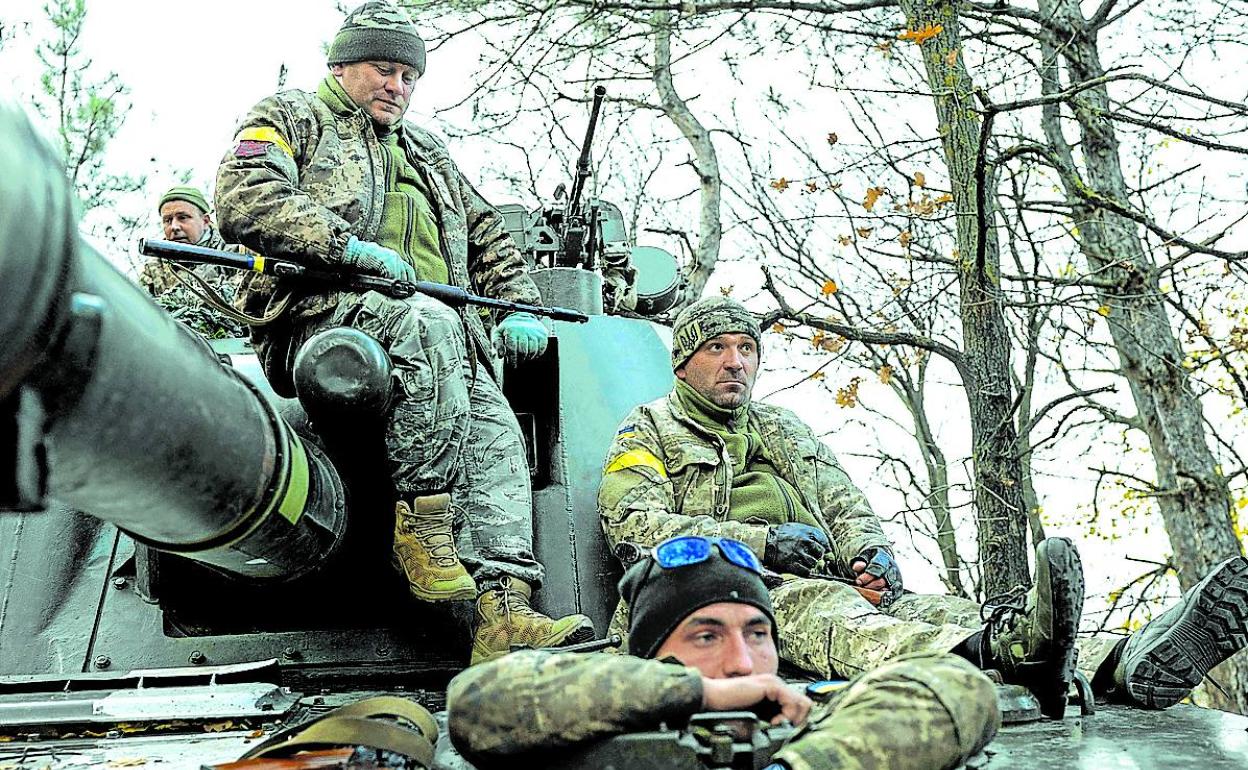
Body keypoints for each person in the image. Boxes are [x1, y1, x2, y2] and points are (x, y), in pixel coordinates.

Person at [598, 295, 1248, 714]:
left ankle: (1125, 658)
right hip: (741, 590)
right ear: (683, 362)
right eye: (717, 348)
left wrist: (870, 554)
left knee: (940, 610)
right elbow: (632, 524)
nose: (735, 362)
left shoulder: (782, 427)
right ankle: (1005, 654)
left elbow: (843, 500)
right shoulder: (648, 428)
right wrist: (764, 544)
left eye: (746, 349)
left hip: (833, 579)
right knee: (847, 623)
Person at [214, 1, 592, 664]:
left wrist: (517, 308)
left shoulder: (427, 152)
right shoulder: (294, 116)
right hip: (325, 315)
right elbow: (245, 194)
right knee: (428, 320)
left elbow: (486, 234)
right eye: (383, 70)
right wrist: (346, 249)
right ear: (342, 66)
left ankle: (504, 610)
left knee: (496, 433)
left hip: (438, 333)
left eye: (408, 77)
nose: (397, 86)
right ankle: (423, 525)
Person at [447, 535, 1000, 770]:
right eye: (706, 637)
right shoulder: (585, 722)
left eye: (758, 635)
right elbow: (476, 705)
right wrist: (700, 694)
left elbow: (961, 687)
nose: (742, 663)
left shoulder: (812, 722)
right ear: (648, 656)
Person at [137, 185, 247, 338]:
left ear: (205, 221)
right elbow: (140, 315)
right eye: (168, 220)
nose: (174, 227)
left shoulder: (235, 253)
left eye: (183, 217)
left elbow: (243, 300)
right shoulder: (154, 268)